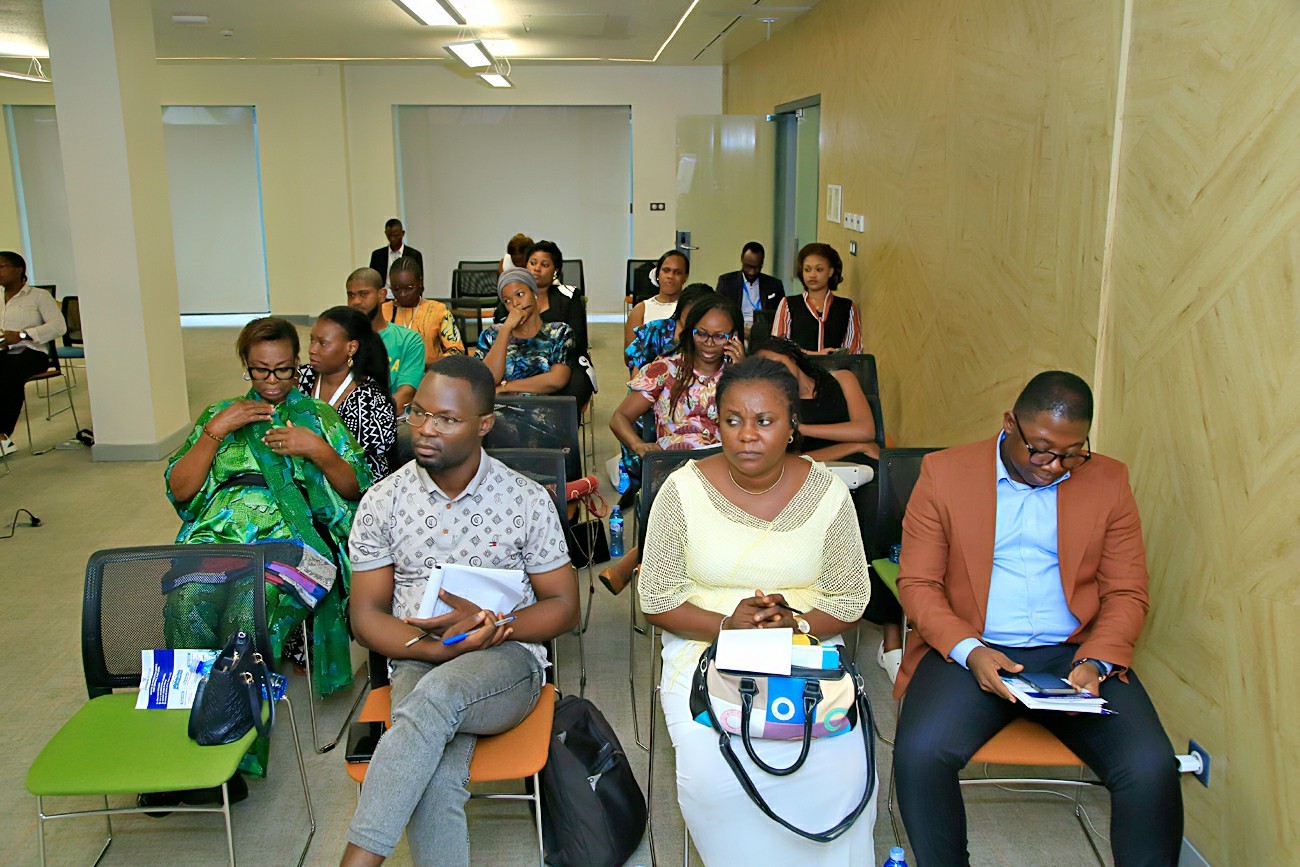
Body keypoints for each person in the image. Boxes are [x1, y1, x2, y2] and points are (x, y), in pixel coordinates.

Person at [893, 371, 1183, 866]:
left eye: (1072, 454)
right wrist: (971, 651)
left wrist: (1095, 662)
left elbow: (1127, 591)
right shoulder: (945, 473)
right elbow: (918, 584)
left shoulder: (1108, 480)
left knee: (1150, 766)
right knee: (921, 753)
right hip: (972, 647)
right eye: (1042, 451)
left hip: (1075, 653)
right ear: (1010, 423)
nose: (1054, 467)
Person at [341, 355, 579, 867]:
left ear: (484, 424)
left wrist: (494, 626)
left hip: (507, 661)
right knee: (434, 771)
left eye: (447, 419)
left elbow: (564, 607)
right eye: (419, 413)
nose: (426, 429)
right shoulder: (383, 501)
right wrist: (435, 648)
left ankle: (357, 860)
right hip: (416, 656)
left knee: (433, 701)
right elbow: (365, 616)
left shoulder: (525, 500)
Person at [638, 355, 876, 865]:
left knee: (844, 773)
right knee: (712, 777)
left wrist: (799, 622)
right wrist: (727, 626)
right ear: (716, 423)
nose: (747, 435)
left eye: (764, 421)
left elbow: (849, 598)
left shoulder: (828, 492)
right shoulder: (682, 491)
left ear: (792, 426)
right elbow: (656, 598)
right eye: (733, 420)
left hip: (806, 653)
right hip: (705, 649)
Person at [164, 317, 371, 774]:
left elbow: (357, 487)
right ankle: (187, 740)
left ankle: (236, 758)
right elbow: (181, 489)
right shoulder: (221, 414)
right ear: (246, 365)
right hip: (217, 541)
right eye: (261, 370)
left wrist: (317, 450)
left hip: (291, 547)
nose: (273, 380)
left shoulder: (319, 417)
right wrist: (215, 431)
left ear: (298, 364)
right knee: (184, 605)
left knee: (247, 616)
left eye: (283, 369)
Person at [602, 295, 744, 593]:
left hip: (728, 467)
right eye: (701, 333)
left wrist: (742, 372)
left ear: (734, 338)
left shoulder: (744, 375)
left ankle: (638, 560)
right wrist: (640, 446)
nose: (709, 343)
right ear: (689, 331)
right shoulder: (665, 369)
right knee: (690, 496)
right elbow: (619, 418)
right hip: (673, 469)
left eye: (720, 336)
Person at [298, 305, 397, 481]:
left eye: (322, 343)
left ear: (351, 348)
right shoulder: (302, 377)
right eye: (312, 340)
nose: (312, 349)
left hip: (358, 485)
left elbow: (364, 464)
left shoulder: (369, 399)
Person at [492, 240, 593, 408]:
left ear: (556, 271)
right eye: (533, 263)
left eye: (544, 265)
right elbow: (500, 341)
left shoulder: (569, 297)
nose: (537, 269)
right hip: (519, 359)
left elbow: (578, 342)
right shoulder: (508, 303)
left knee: (567, 396)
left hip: (565, 361)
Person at [0, 251, 65, 456]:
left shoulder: (39, 296)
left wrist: (22, 335)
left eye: (2, 267)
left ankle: (2, 436)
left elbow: (58, 326)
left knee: (10, 374)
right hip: (3, 351)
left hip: (32, 352)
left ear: (19, 269)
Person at [477, 268, 574, 395]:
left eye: (520, 294)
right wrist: (506, 329)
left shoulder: (559, 332)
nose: (515, 303)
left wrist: (505, 387)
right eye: (507, 301)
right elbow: (485, 381)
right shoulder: (491, 334)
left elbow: (557, 379)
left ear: (534, 293)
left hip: (541, 406)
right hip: (498, 406)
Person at [346, 267, 424, 410]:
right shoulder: (342, 338)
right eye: (351, 295)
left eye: (363, 294)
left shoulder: (409, 339)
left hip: (389, 416)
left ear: (381, 295)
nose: (355, 301)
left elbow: (406, 394)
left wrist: (371, 416)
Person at [771, 243, 862, 355]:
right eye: (807, 270)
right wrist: (813, 354)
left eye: (819, 269)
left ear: (831, 272)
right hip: (796, 365)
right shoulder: (788, 304)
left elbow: (854, 351)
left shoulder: (847, 307)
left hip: (835, 365)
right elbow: (778, 347)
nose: (812, 275)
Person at [381, 256, 464, 368]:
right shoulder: (382, 311)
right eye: (396, 289)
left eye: (409, 288)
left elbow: (457, 352)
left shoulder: (438, 310)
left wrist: (421, 367)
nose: (402, 294)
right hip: (391, 375)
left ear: (420, 282)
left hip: (430, 373)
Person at [624, 282, 714, 374]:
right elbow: (636, 376)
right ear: (680, 310)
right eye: (687, 319)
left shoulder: (714, 338)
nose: (691, 325)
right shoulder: (656, 330)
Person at [624, 249, 689, 351]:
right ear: (658, 273)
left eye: (677, 272)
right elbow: (629, 355)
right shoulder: (641, 310)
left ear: (685, 277)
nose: (670, 276)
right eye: (666, 270)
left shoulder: (691, 308)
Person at [716, 241, 785, 329]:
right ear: (742, 259)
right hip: (736, 328)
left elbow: (781, 314)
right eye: (748, 266)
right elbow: (719, 311)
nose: (752, 272)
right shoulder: (727, 282)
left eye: (757, 267)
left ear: (762, 263)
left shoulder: (774, 284)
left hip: (763, 330)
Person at [368, 218, 423, 294]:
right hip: (383, 297)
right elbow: (372, 281)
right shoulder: (377, 255)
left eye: (396, 235)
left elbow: (419, 282)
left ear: (403, 233)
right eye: (389, 235)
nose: (392, 239)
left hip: (406, 296)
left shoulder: (414, 255)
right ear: (385, 233)